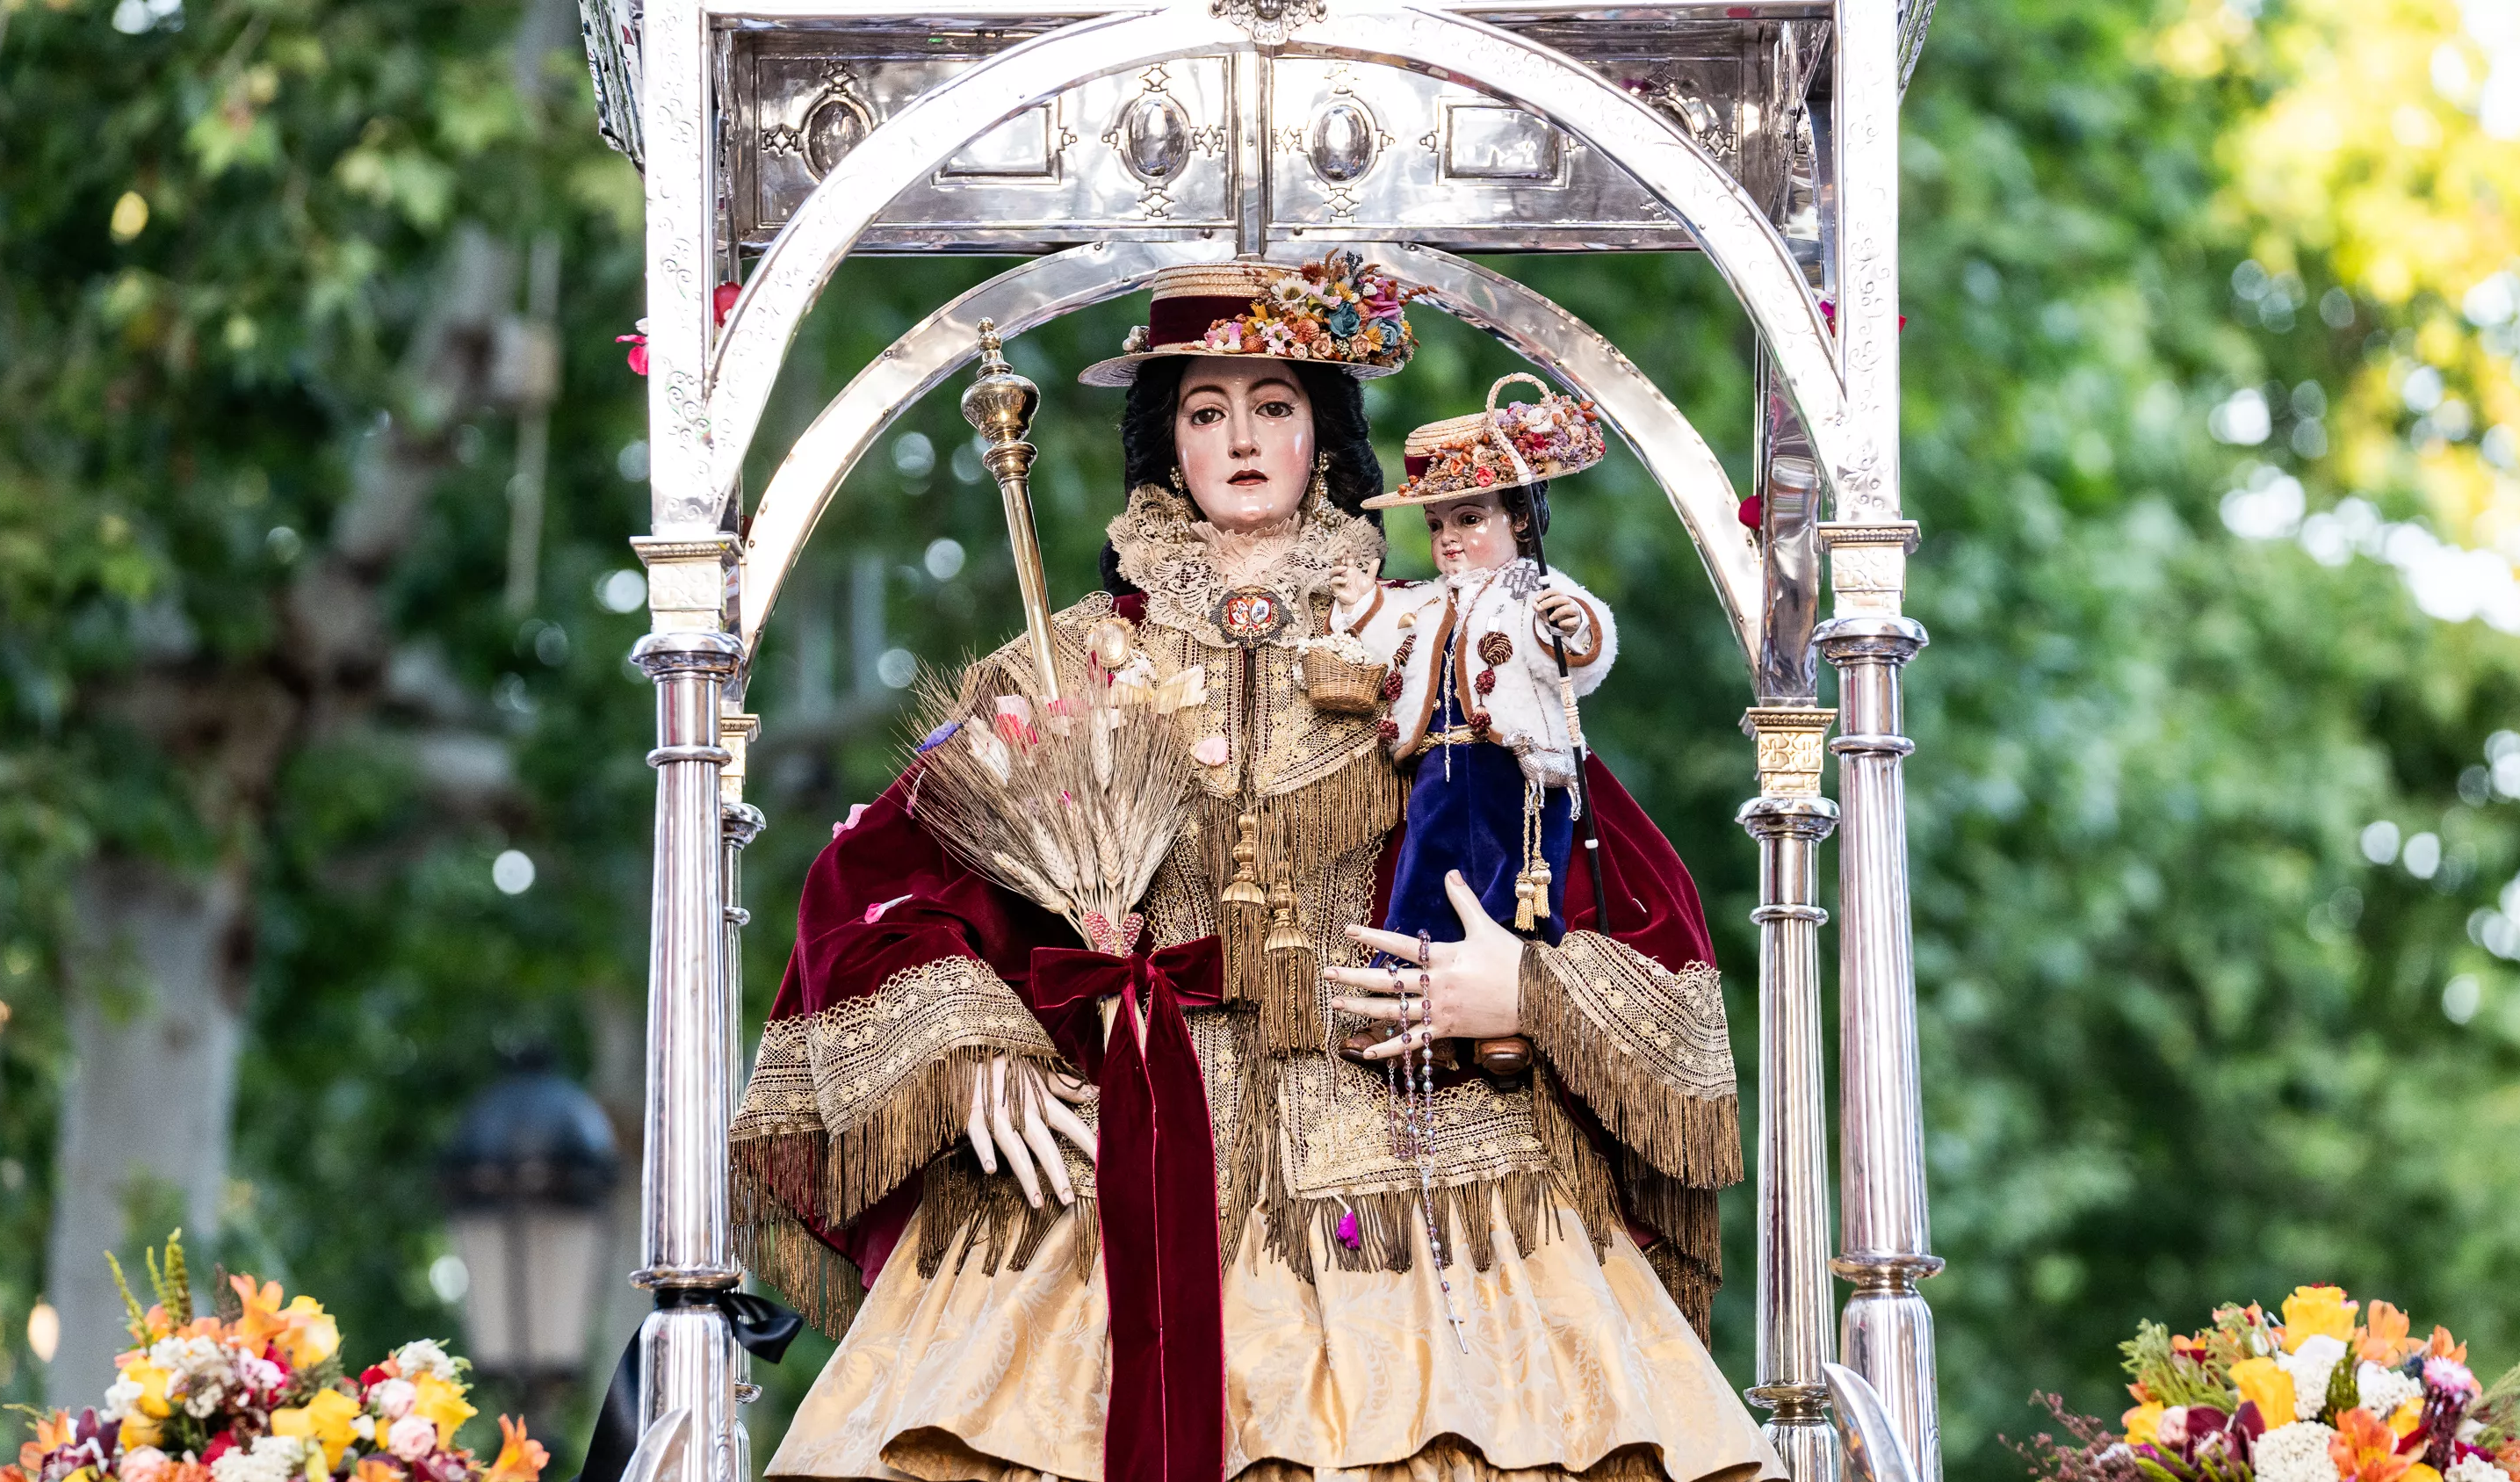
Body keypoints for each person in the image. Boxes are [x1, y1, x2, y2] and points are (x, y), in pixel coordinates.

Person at [730, 255, 1769, 1482]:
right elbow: (872, 884)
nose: (1240, 437)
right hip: (1112, 1160)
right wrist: (970, 1047)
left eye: (1272, 403)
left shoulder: (1434, 638)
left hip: (1413, 1164)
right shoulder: (1064, 664)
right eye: (1206, 408)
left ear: (1322, 432)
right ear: (1166, 440)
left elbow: (1615, 884)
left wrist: (1523, 992)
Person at [1335, 374, 1614, 949]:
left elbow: (1583, 641)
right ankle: (1410, 995)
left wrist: (1569, 625)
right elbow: (1395, 628)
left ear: (1518, 517)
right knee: (1423, 884)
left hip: (1516, 769)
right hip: (1438, 768)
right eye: (1436, 525)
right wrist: (1362, 600)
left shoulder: (1533, 589)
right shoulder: (1434, 599)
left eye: (1468, 519)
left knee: (1514, 885)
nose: (1449, 540)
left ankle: (1510, 1005)